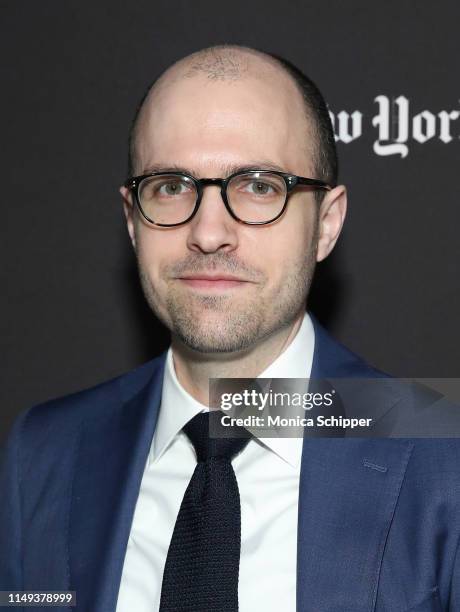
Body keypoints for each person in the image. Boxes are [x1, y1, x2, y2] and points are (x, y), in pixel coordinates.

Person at [1, 44, 459, 612]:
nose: (209, 232)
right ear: (131, 220)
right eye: (171, 186)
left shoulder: (444, 455)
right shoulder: (43, 451)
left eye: (259, 185)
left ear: (327, 224)